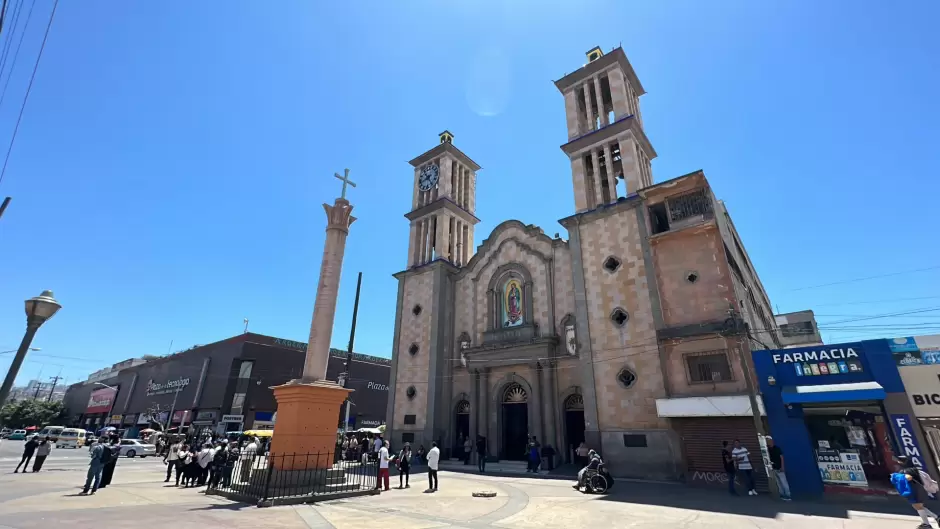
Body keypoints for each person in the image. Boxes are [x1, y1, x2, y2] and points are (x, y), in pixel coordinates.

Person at [892, 455, 939, 529]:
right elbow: (927, 481)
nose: (898, 463)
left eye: (899, 461)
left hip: (914, 492)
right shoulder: (917, 471)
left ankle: (928, 524)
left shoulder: (904, 472)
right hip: (921, 491)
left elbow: (905, 481)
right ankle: (933, 520)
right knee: (919, 507)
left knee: (918, 507)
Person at [765, 436, 790, 500]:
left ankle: (788, 495)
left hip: (779, 467)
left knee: (783, 481)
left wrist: (782, 466)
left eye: (769, 441)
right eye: (767, 441)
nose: (768, 442)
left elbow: (781, 458)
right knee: (778, 482)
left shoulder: (777, 448)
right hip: (773, 468)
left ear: (772, 441)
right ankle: (782, 494)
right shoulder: (768, 450)